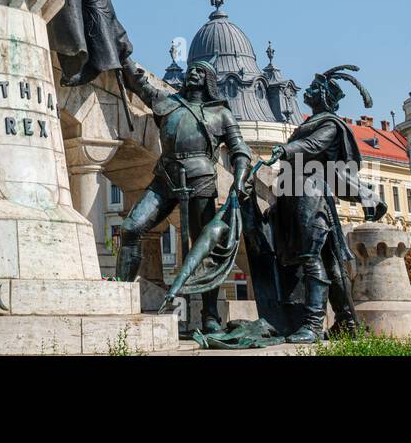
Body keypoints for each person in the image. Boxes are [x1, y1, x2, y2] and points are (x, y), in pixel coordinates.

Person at [115, 57, 251, 334]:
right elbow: (139, 83)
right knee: (131, 228)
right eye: (191, 70)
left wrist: (239, 180)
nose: (193, 74)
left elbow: (240, 152)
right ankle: (119, 299)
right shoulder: (167, 101)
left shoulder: (220, 113)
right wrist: (122, 55)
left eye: (200, 72)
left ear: (209, 81)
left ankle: (210, 315)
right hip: (165, 176)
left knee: (206, 249)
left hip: (201, 178)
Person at [268, 64, 386, 343]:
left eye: (311, 88)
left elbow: (312, 147)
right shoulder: (313, 121)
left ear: (321, 94)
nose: (306, 90)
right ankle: (347, 322)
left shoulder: (330, 124)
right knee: (329, 262)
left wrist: (286, 148)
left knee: (311, 257)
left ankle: (312, 323)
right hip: (295, 192)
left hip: (310, 193)